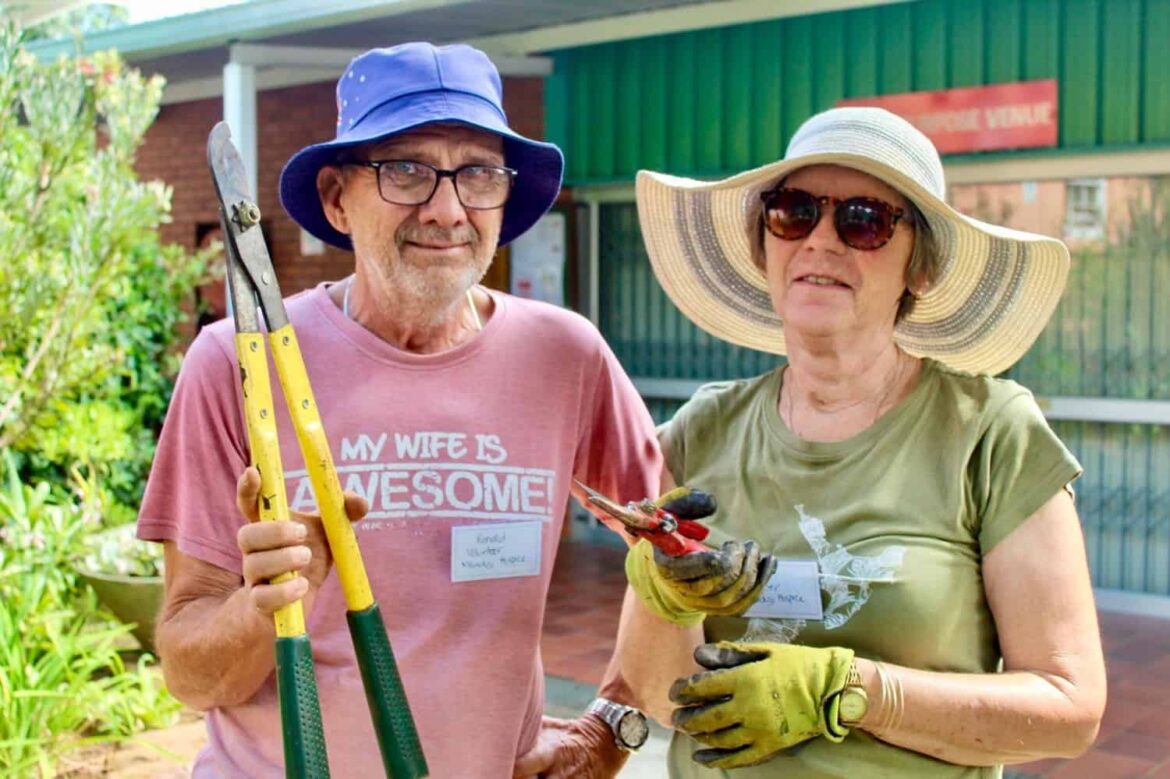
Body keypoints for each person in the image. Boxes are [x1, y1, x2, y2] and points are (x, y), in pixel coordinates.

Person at [138, 42, 660, 778]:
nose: (447, 209)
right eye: (406, 170)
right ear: (336, 198)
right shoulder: (234, 363)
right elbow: (193, 678)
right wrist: (262, 605)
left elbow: (677, 554)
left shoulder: (566, 356)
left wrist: (612, 720)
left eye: (478, 172)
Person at [611, 106, 1107, 777]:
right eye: (792, 212)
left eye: (863, 220)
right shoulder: (703, 430)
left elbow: (1070, 707)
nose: (820, 240)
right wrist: (664, 592)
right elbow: (659, 697)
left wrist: (851, 691)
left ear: (920, 268)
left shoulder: (990, 432)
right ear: (766, 244)